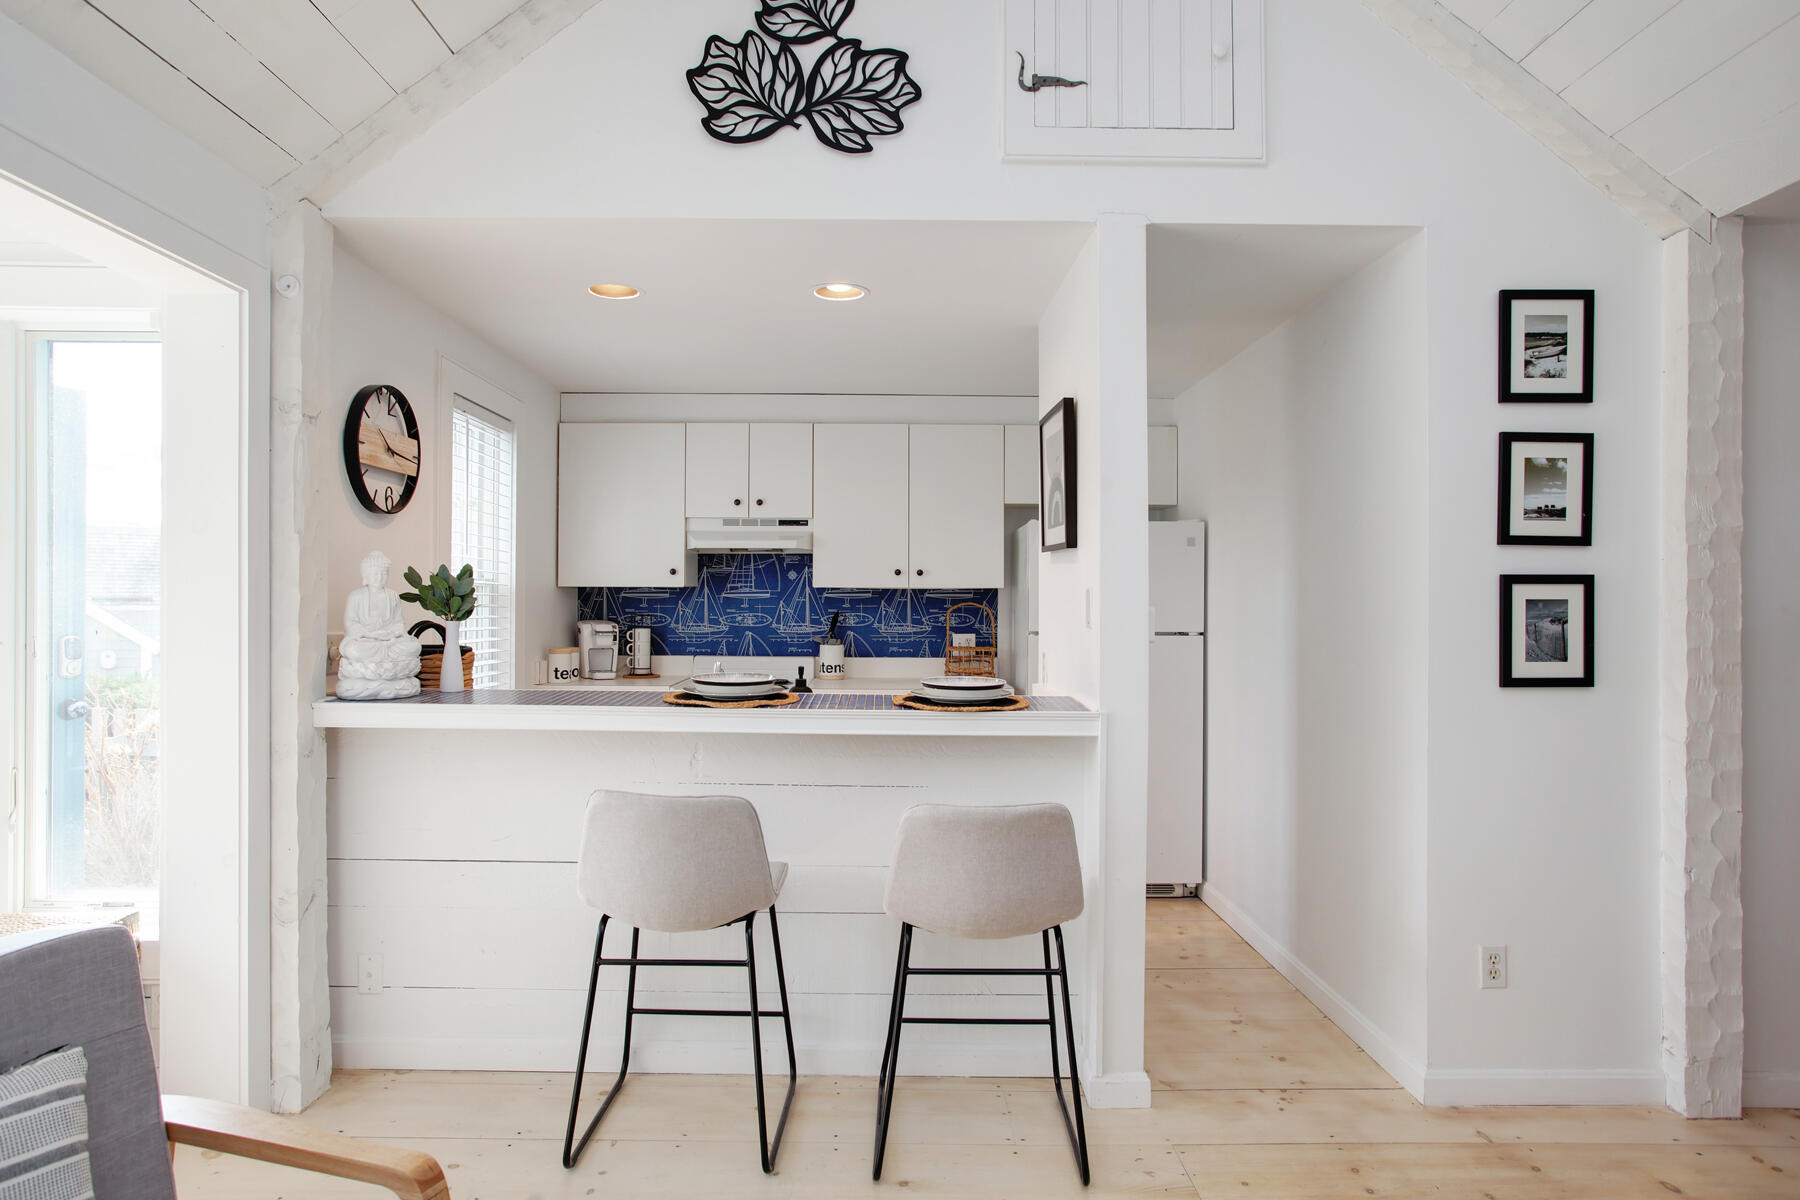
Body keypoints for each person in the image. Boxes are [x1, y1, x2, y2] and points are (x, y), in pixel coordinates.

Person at [337, 550, 421, 700]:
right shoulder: (356, 596)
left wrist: (392, 634)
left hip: (390, 641)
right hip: (366, 642)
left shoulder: (393, 596)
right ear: (366, 575)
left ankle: (378, 679)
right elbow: (351, 623)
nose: (379, 577)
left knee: (413, 647)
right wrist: (369, 634)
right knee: (353, 650)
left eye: (383, 573)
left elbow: (399, 622)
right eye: (375, 573)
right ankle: (392, 681)